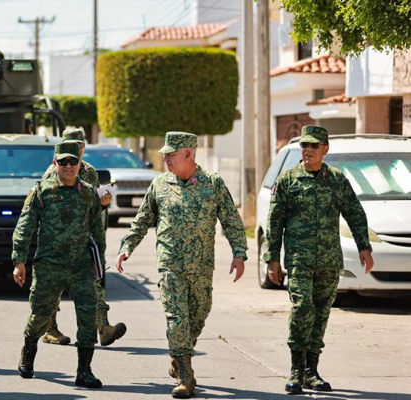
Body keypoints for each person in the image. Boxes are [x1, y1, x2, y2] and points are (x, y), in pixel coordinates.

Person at [115, 131, 247, 399]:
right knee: (177, 320)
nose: (165, 159)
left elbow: (231, 221)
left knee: (198, 316)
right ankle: (187, 377)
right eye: (164, 154)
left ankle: (178, 357)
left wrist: (239, 253)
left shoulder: (213, 184)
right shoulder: (160, 185)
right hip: (170, 265)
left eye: (170, 154)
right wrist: (127, 246)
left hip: (201, 266)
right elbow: (142, 220)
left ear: (188, 154)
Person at [264, 125, 374, 394]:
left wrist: (364, 247)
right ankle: (295, 370)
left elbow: (355, 213)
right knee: (302, 309)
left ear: (325, 149)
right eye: (304, 145)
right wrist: (272, 259)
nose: (308, 150)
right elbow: (274, 222)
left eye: (314, 146)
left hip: (328, 260)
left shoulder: (336, 180)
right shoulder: (288, 180)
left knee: (321, 314)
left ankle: (311, 371)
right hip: (300, 259)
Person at [13, 141, 106, 389]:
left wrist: (100, 265)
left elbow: (97, 229)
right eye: (62, 162)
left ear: (79, 165)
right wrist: (19, 260)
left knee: (87, 317)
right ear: (55, 164)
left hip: (81, 266)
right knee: (40, 315)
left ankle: (84, 371)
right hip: (49, 265)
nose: (67, 166)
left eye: (72, 162)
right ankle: (29, 350)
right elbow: (25, 226)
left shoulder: (88, 192)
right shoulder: (42, 191)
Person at [39, 127, 125, 348]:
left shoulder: (89, 170)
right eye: (71, 144)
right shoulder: (52, 173)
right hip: (61, 241)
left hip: (89, 238)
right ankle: (49, 328)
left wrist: (103, 203)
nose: (76, 148)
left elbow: (92, 205)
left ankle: (103, 328)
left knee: (94, 282)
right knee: (54, 287)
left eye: (79, 144)